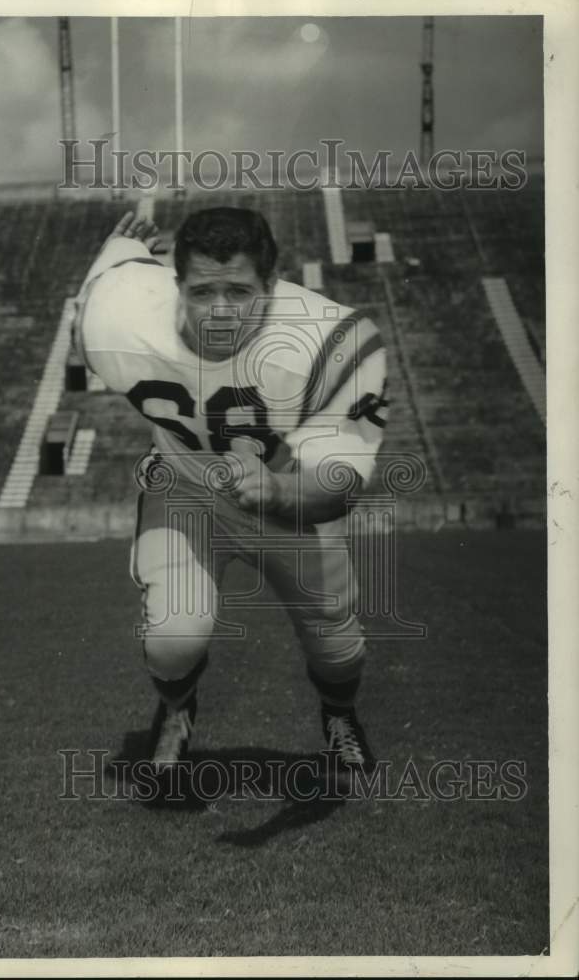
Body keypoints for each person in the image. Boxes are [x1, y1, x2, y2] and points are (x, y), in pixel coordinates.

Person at [72, 207, 388, 792]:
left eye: (239, 291)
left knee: (338, 645)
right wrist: (114, 257)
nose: (219, 311)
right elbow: (94, 299)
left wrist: (282, 489)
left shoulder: (332, 342)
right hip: (185, 490)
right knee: (174, 636)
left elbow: (341, 488)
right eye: (202, 292)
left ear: (273, 286)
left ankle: (339, 715)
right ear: (175, 285)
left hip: (285, 499)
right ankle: (176, 708)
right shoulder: (118, 319)